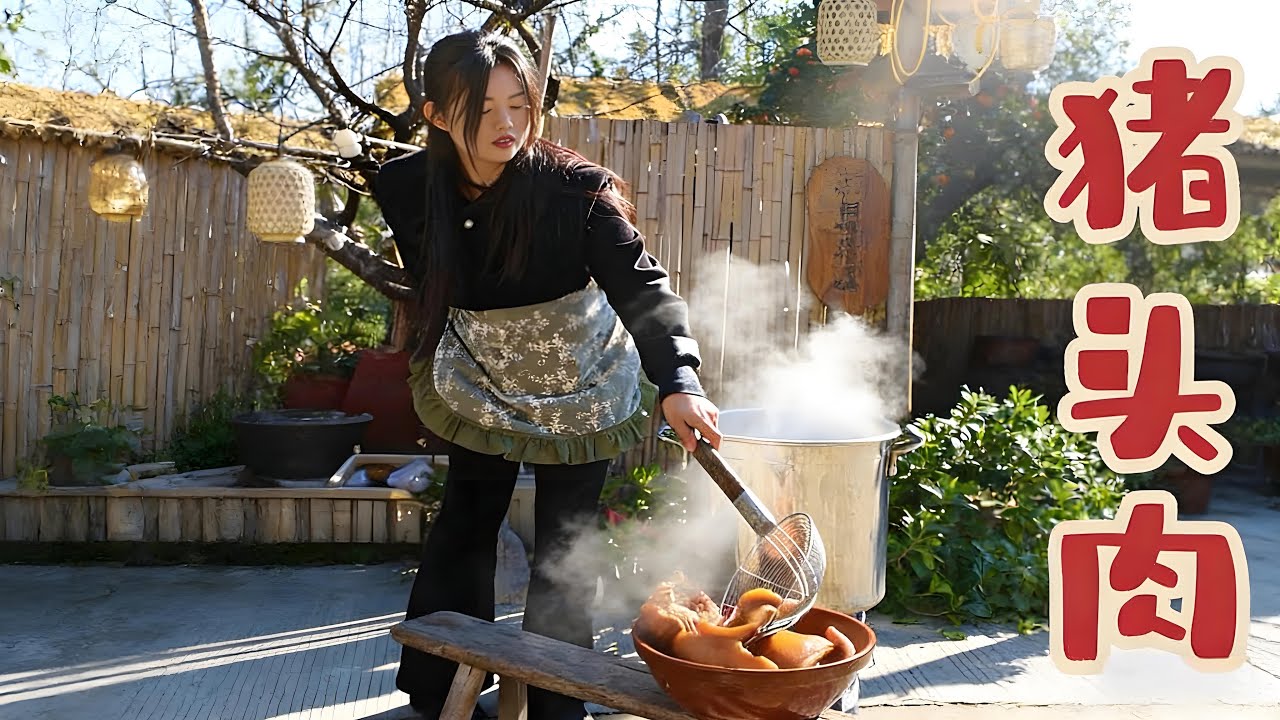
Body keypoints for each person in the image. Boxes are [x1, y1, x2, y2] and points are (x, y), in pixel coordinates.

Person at [372, 30, 723, 720]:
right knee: (466, 521)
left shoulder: (577, 193)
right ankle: (438, 689)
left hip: (583, 377)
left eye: (519, 104)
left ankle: (559, 701)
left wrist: (681, 380)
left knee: (567, 541)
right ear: (436, 114)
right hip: (483, 374)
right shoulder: (405, 185)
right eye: (482, 110)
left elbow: (645, 290)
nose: (506, 124)